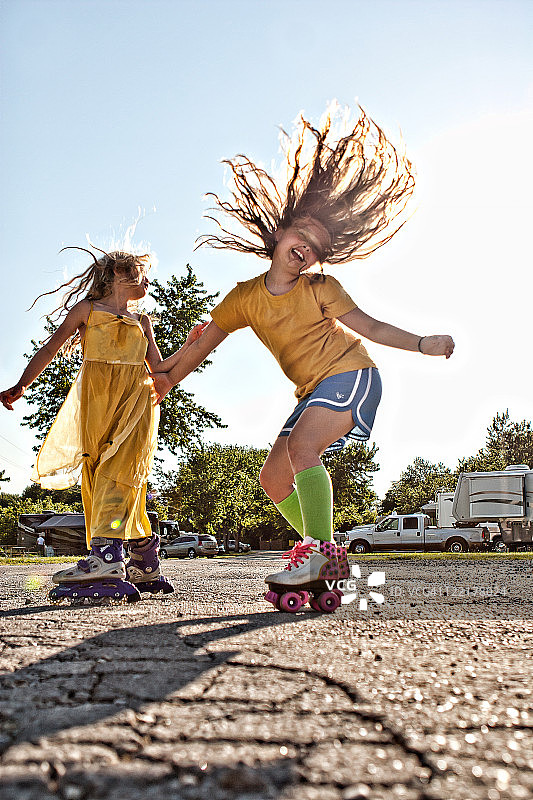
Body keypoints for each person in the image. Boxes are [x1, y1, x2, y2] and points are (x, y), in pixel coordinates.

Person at [151, 105, 455, 612]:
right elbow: (202, 345)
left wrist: (422, 343)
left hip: (351, 373)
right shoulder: (243, 298)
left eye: (316, 249)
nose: (307, 249)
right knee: (273, 478)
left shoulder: (322, 288)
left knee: (304, 449)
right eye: (302, 237)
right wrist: (165, 382)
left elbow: (372, 327)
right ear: (279, 235)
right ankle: (322, 552)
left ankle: (319, 551)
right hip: (313, 389)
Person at [1, 247, 203, 604]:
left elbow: (159, 370)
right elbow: (49, 349)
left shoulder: (142, 321)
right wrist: (21, 385)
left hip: (136, 405)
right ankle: (144, 559)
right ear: (119, 275)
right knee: (106, 475)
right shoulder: (88, 311)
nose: (148, 280)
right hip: (97, 407)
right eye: (142, 273)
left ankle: (107, 556)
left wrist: (189, 346)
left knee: (119, 472)